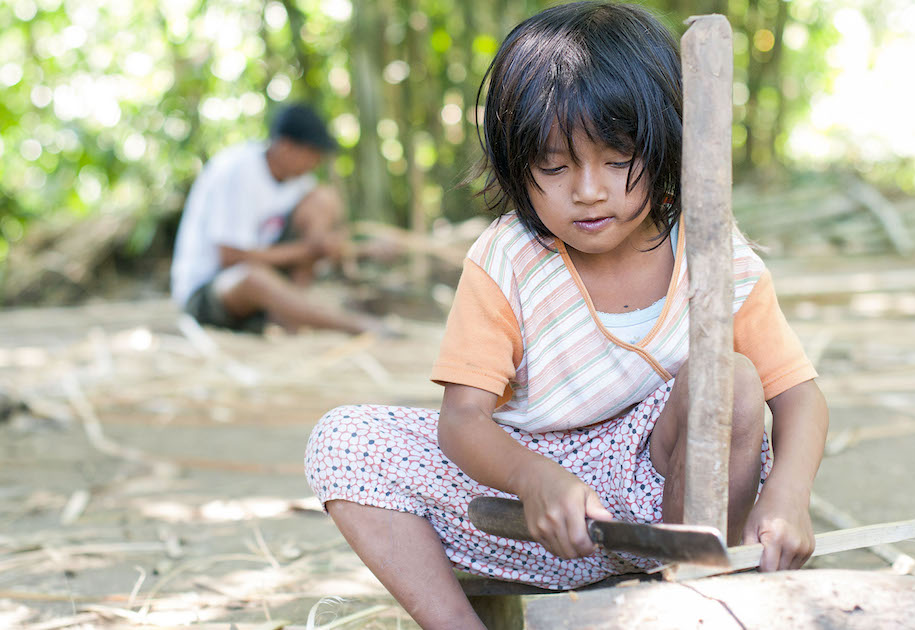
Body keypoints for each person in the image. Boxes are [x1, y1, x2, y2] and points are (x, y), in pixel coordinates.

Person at [303, 3, 829, 628]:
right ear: (515, 164)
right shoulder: (508, 258)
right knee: (344, 439)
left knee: (734, 381)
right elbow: (463, 420)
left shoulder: (712, 249)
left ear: (664, 151)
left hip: (669, 502)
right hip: (525, 508)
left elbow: (800, 397)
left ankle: (689, 608)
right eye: (553, 166)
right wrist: (535, 480)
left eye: (615, 160)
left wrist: (788, 499)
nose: (587, 189)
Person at [171, 103, 383, 335]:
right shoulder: (236, 171)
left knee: (324, 199)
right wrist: (310, 250)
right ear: (286, 147)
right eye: (312, 154)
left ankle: (289, 312)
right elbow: (230, 258)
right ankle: (349, 325)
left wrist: (348, 246)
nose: (316, 162)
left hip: (265, 275)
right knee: (252, 277)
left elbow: (324, 235)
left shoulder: (298, 181)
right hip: (209, 291)